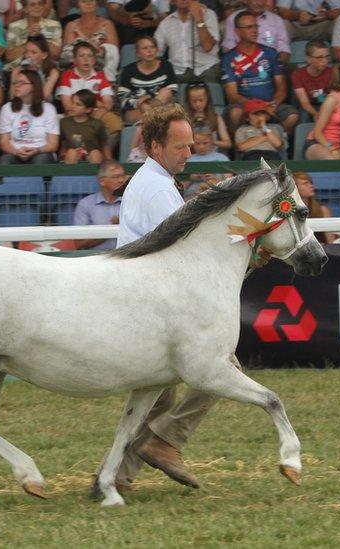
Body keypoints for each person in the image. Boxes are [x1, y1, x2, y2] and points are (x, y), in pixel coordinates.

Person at [112, 103, 215, 491]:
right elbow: (189, 248)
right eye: (181, 147)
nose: (190, 153)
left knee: (157, 399)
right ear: (156, 147)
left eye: (191, 146)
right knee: (224, 367)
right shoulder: (156, 188)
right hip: (151, 305)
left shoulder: (154, 180)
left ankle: (117, 479)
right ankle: (166, 442)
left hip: (144, 300)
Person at [221, 11, 299, 137]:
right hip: (244, 106)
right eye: (248, 27)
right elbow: (232, 95)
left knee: (292, 116)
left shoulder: (271, 53)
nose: (254, 30)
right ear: (237, 31)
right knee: (234, 113)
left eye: (256, 26)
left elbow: (282, 89)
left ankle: (277, 146)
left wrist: (272, 105)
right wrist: (257, 107)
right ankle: (241, 150)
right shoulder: (229, 58)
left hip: (271, 105)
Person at [56, 42, 123, 140]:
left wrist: (99, 112)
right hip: (74, 113)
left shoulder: (100, 75)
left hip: (97, 113)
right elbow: (67, 105)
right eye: (81, 56)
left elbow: (108, 102)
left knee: (116, 124)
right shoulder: (67, 75)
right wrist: (90, 110)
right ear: (75, 60)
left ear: (94, 60)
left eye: (90, 56)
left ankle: (103, 151)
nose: (86, 59)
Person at [0, 68, 59, 164]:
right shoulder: (7, 108)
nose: (17, 86)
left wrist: (36, 150)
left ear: (34, 86)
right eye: (15, 83)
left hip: (41, 152)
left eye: (22, 83)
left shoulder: (48, 109)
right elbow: (3, 142)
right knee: (5, 160)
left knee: (40, 160)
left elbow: (53, 144)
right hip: (15, 153)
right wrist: (16, 151)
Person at [154, 0, 221, 83]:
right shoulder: (166, 23)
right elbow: (156, 53)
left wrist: (199, 18)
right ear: (172, 1)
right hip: (178, 71)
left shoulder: (208, 14)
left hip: (207, 68)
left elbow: (208, 46)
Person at [117, 35, 177, 124]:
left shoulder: (166, 66)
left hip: (162, 107)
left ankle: (151, 119)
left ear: (157, 50)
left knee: (166, 92)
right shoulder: (128, 70)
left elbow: (172, 92)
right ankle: (155, 120)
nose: (150, 51)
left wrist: (148, 99)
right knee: (133, 113)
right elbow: (123, 99)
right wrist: (139, 103)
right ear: (138, 53)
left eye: (152, 47)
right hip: (138, 111)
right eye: (145, 48)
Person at [73, 159, 125, 250]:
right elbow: (79, 244)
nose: (121, 180)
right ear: (102, 181)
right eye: (116, 176)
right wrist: (112, 229)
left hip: (126, 258)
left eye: (122, 176)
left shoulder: (132, 202)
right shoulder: (85, 204)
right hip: (95, 259)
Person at [63, 0, 120, 81]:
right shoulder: (71, 26)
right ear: (78, 4)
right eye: (84, 1)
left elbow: (114, 53)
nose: (88, 3)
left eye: (91, 0)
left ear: (96, 3)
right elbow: (67, 55)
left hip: (103, 74)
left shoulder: (107, 24)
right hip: (77, 75)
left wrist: (101, 50)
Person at [221, 0, 290, 64]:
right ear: (245, 1)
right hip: (242, 63)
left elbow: (283, 46)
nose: (259, 3)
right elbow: (229, 45)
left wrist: (279, 61)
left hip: (271, 62)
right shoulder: (233, 19)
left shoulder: (276, 20)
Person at [5, 0, 62, 67]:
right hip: (20, 68)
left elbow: (57, 55)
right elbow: (9, 57)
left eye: (40, 4)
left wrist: (41, 36)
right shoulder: (14, 27)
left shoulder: (54, 25)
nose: (37, 7)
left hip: (46, 68)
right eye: (32, 4)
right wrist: (29, 38)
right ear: (25, 9)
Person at [60, 88, 110, 163]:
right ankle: (70, 174)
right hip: (72, 157)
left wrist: (109, 160)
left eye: (78, 104)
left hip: (91, 157)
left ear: (88, 110)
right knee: (71, 152)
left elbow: (104, 144)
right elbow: (63, 143)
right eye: (72, 102)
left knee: (95, 153)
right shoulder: (64, 122)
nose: (73, 106)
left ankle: (95, 174)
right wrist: (62, 155)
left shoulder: (97, 124)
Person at [10, 36, 60, 102]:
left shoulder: (52, 72)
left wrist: (38, 72)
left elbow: (43, 96)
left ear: (44, 55)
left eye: (33, 52)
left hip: (42, 108)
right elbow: (13, 96)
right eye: (26, 52)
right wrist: (14, 77)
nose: (28, 55)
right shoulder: (18, 71)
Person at [291, 40, 333, 120]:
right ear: (308, 59)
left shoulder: (331, 72)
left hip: (326, 104)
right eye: (319, 57)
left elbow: (333, 97)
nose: (325, 61)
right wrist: (315, 114)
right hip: (308, 105)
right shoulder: (298, 75)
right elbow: (305, 103)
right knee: (304, 115)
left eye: (326, 56)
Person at [183, 82, 231, 150]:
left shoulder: (216, 118)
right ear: (188, 101)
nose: (198, 104)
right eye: (194, 101)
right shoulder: (184, 118)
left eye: (201, 100)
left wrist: (211, 142)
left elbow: (228, 143)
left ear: (207, 99)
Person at [293, 171, 335, 244]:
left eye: (310, 183)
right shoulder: (289, 211)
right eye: (305, 183)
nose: (311, 186)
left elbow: (331, 241)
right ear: (295, 188)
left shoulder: (322, 210)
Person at [275, 0, 340, 42]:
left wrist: (327, 15)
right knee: (283, 24)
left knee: (339, 21)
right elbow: (282, 11)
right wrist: (297, 15)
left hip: (321, 25)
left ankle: (338, 61)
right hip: (297, 25)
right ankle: (279, 62)